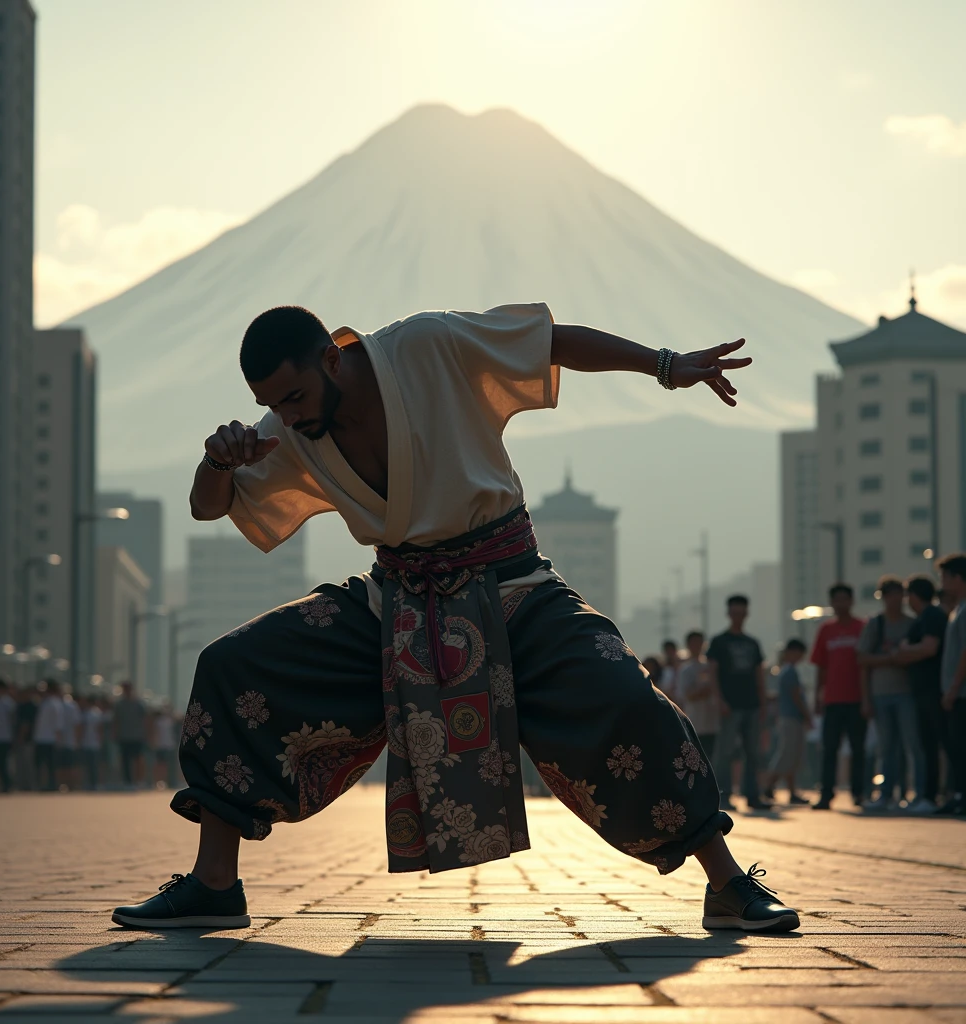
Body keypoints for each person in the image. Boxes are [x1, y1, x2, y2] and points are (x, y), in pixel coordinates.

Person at [112, 303, 797, 933]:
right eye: (269, 406)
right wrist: (215, 458)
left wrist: (666, 364)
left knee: (622, 693)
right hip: (395, 600)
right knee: (233, 667)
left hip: (512, 585)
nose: (284, 417)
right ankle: (213, 885)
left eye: (291, 398)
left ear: (331, 358)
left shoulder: (427, 345)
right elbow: (210, 506)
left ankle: (728, 883)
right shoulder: (288, 428)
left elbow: (547, 340)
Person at [858, 576, 924, 811]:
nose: (895, 600)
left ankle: (916, 794)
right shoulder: (876, 624)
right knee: (886, 748)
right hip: (881, 693)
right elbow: (863, 659)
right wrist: (890, 659)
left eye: (899, 595)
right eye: (890, 596)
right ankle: (886, 794)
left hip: (906, 693)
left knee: (912, 745)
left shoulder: (911, 623)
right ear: (883, 598)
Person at [707, 595, 770, 811]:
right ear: (729, 613)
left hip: (751, 704)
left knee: (753, 752)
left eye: (741, 612)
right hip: (729, 705)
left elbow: (759, 675)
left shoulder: (752, 643)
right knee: (724, 752)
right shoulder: (719, 642)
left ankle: (753, 795)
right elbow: (712, 673)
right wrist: (719, 700)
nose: (738, 616)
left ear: (746, 614)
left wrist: (763, 703)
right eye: (734, 612)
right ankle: (723, 795)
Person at [811, 584, 866, 810]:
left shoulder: (862, 627)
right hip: (833, 700)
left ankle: (859, 793)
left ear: (851, 601)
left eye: (845, 599)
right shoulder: (826, 630)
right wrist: (818, 696)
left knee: (858, 749)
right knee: (829, 749)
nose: (841, 604)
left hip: (857, 699)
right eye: (837, 600)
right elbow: (821, 667)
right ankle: (826, 795)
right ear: (832, 602)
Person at [896, 575, 947, 813]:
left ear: (914, 596)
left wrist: (906, 650)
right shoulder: (923, 618)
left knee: (938, 744)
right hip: (922, 692)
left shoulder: (932, 616)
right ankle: (929, 794)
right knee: (928, 744)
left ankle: (934, 795)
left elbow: (928, 648)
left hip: (933, 690)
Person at [762, 639, 811, 805]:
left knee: (792, 755)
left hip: (789, 717)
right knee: (787, 754)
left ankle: (791, 790)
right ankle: (769, 785)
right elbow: (796, 696)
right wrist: (807, 715)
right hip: (791, 718)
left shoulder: (785, 671)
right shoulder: (789, 672)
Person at [936, 554, 966, 816]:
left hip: (961, 694)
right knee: (955, 747)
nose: (943, 583)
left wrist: (954, 689)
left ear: (958, 578)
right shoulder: (958, 608)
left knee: (960, 746)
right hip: (956, 692)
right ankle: (958, 794)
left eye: (945, 577)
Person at [674, 630, 719, 759]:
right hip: (695, 722)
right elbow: (687, 695)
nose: (697, 646)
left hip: (712, 721)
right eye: (694, 643)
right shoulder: (685, 670)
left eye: (700, 643)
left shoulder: (709, 666)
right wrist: (702, 691)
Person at [113, 681, 148, 788]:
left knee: (138, 759)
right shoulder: (119, 704)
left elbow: (145, 719)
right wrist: (115, 733)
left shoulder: (138, 704)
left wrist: (146, 734)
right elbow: (116, 720)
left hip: (137, 736)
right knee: (125, 760)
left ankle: (139, 781)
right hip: (124, 736)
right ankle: (127, 781)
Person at [32, 680, 63, 792]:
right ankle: (44, 784)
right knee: (44, 765)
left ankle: (49, 784)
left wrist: (57, 738)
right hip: (44, 738)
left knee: (47, 765)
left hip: (47, 739)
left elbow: (57, 724)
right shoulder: (47, 703)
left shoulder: (50, 703)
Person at [0, 677, 17, 793]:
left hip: (6, 737)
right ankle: (3, 783)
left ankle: (8, 783)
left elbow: (13, 720)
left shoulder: (8, 703)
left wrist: (14, 736)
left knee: (5, 762)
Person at [57, 686, 82, 791]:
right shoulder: (71, 706)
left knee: (65, 764)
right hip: (69, 740)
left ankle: (66, 784)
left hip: (63, 740)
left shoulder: (60, 705)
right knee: (69, 764)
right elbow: (77, 724)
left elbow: (77, 724)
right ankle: (70, 784)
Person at [80, 695, 105, 791]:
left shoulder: (91, 713)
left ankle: (93, 783)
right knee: (90, 765)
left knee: (92, 765)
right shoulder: (91, 713)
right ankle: (91, 783)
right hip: (90, 742)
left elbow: (100, 728)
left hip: (91, 742)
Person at [152, 701, 179, 789]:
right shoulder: (158, 720)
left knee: (171, 765)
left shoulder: (172, 720)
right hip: (160, 745)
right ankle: (159, 781)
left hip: (170, 745)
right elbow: (155, 732)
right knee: (160, 764)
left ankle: (171, 782)